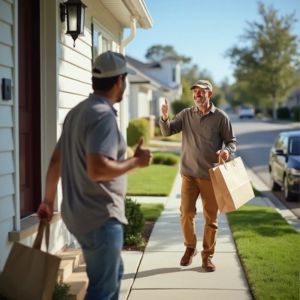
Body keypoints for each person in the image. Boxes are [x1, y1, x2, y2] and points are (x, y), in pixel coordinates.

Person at [37, 51, 152, 299]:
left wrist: (47, 201)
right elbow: (97, 168)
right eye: (125, 80)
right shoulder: (103, 115)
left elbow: (57, 160)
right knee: (103, 289)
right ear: (119, 81)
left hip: (77, 215)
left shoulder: (77, 112)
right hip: (99, 217)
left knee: (113, 274)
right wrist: (135, 161)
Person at [159, 79, 236, 272]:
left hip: (210, 175)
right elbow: (168, 131)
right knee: (186, 214)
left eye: (201, 92)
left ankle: (207, 256)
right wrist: (164, 117)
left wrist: (227, 152)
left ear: (210, 94)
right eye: (195, 92)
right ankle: (190, 247)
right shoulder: (186, 115)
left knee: (211, 219)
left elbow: (231, 142)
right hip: (189, 175)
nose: (197, 95)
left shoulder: (220, 117)